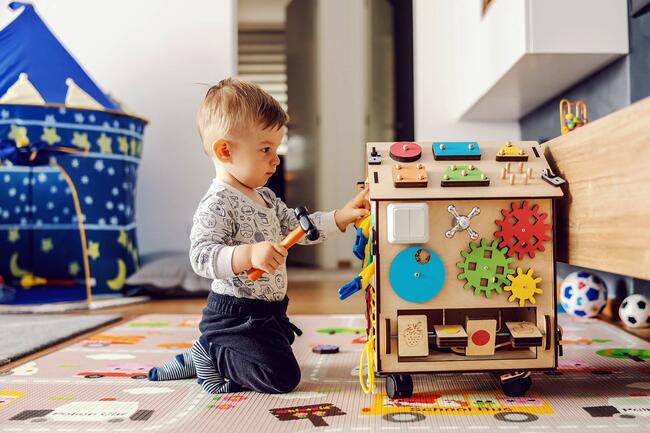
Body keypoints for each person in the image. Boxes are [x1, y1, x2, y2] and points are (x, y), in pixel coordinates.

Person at [148, 78, 369, 394]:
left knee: (276, 362)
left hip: (269, 313)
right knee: (281, 379)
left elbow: (299, 227)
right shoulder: (218, 202)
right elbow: (201, 257)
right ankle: (210, 352)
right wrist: (248, 255)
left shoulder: (265, 197)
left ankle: (208, 355)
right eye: (265, 149)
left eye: (276, 148)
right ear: (225, 150)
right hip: (234, 317)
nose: (275, 159)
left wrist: (341, 217)